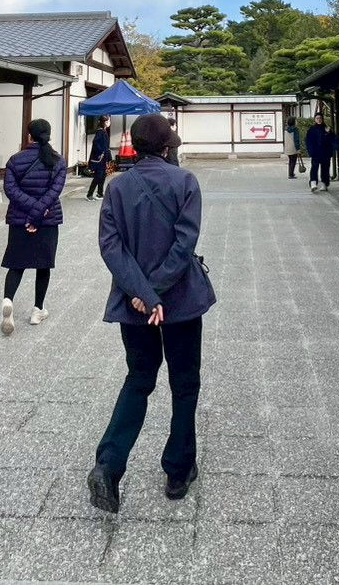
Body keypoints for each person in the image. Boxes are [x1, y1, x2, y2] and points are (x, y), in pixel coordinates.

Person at [88, 113, 216, 514]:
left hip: (134, 304)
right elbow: (184, 243)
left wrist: (142, 293)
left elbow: (111, 247)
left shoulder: (117, 187)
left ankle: (108, 466)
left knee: (139, 379)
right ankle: (178, 470)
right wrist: (157, 292)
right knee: (184, 383)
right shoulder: (185, 183)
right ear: (167, 147)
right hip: (179, 302)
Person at [0, 118, 67, 333]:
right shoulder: (58, 161)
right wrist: (38, 215)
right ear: (49, 135)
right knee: (43, 264)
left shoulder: (15, 160)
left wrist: (30, 216)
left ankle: (8, 300)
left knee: (16, 264)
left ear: (29, 136)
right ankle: (38, 310)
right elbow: (55, 192)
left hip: (20, 219)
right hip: (47, 220)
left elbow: (10, 190)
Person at [304, 109, 335, 191]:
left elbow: (332, 140)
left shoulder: (327, 128)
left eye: (320, 118)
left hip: (325, 153)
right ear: (315, 119)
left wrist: (329, 133)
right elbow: (308, 141)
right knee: (314, 168)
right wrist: (310, 151)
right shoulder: (312, 129)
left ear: (322, 119)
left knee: (325, 169)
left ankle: (324, 184)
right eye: (317, 118)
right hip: (316, 153)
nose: (319, 120)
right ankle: (313, 183)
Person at [86, 118, 111, 200]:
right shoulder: (100, 132)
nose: (108, 123)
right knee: (98, 176)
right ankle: (89, 194)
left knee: (103, 175)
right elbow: (96, 143)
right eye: (107, 121)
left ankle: (100, 193)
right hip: (100, 158)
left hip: (103, 158)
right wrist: (101, 153)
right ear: (103, 123)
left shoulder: (103, 131)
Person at [283, 113, 302, 179]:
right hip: (293, 147)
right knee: (293, 161)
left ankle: (291, 173)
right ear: (293, 122)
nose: (296, 122)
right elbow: (296, 140)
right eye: (296, 121)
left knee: (290, 160)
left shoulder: (286, 129)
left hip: (287, 147)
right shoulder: (295, 129)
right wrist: (298, 149)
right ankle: (291, 174)